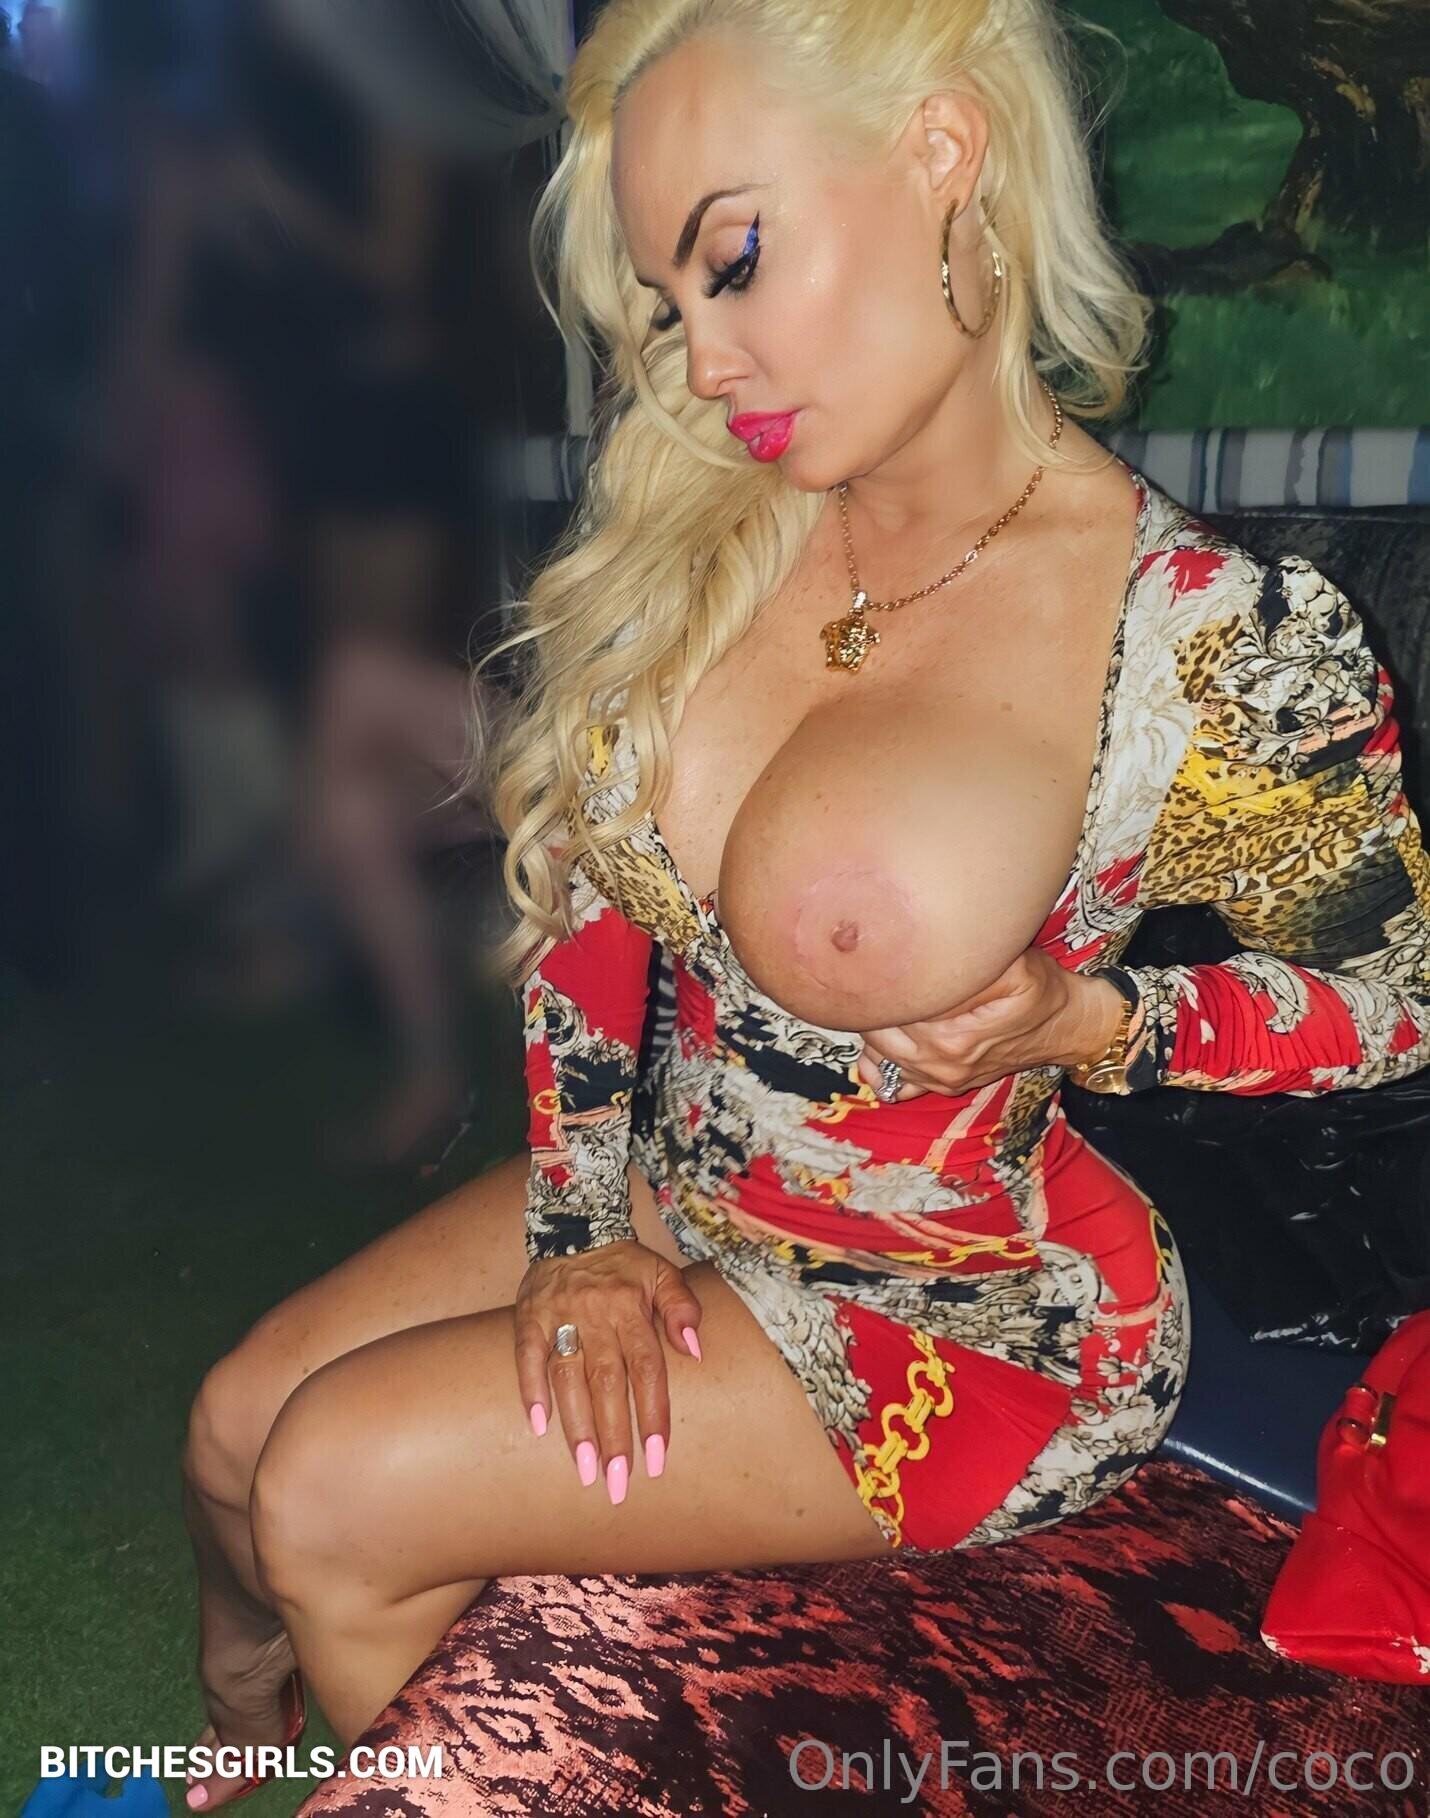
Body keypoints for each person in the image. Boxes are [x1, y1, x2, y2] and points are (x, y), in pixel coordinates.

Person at [178, 0, 1430, 1794]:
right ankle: (229, 1727)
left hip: (961, 1308)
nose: (701, 362)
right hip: (688, 1185)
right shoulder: (720, 520)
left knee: (329, 1485)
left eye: (735, 260)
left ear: (939, 154)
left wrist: (1099, 1019)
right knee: (235, 1426)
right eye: (666, 302)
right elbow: (593, 910)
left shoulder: (1202, 642)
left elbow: (1394, 1004)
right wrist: (580, 1227)